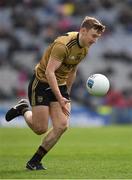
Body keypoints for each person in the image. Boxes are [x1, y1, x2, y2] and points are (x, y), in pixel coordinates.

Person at [5, 16, 105, 170]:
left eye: (97, 37)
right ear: (83, 31)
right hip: (42, 83)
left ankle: (34, 161)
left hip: (61, 84)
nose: (95, 41)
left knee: (62, 125)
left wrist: (67, 95)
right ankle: (23, 109)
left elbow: (73, 70)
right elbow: (50, 72)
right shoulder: (62, 45)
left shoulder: (85, 47)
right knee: (40, 128)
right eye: (93, 36)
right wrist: (60, 97)